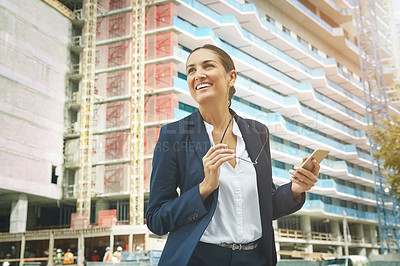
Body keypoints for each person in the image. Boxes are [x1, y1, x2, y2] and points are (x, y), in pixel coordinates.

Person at [145, 44, 320, 266]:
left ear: (231, 77)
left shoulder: (258, 133)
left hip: (254, 258)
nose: (198, 74)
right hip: (199, 258)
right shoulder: (173, 136)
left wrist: (296, 189)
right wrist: (204, 188)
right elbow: (156, 219)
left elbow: (266, 204)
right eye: (191, 70)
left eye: (207, 66)